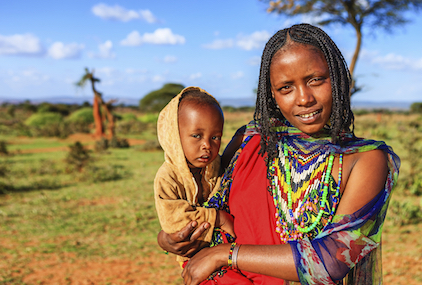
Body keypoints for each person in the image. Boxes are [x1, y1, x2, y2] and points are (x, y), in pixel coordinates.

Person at [157, 24, 400, 285]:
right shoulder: (250, 140)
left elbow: (332, 260)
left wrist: (225, 255)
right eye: (286, 88)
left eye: (316, 80)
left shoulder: (365, 160)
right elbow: (206, 209)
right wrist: (169, 239)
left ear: (339, 78)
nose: (304, 98)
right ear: (272, 94)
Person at [154, 86, 235, 265]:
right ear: (174, 136)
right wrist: (217, 218)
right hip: (191, 260)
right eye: (197, 135)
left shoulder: (220, 167)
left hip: (228, 254)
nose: (207, 145)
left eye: (215, 137)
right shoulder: (168, 177)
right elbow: (173, 221)